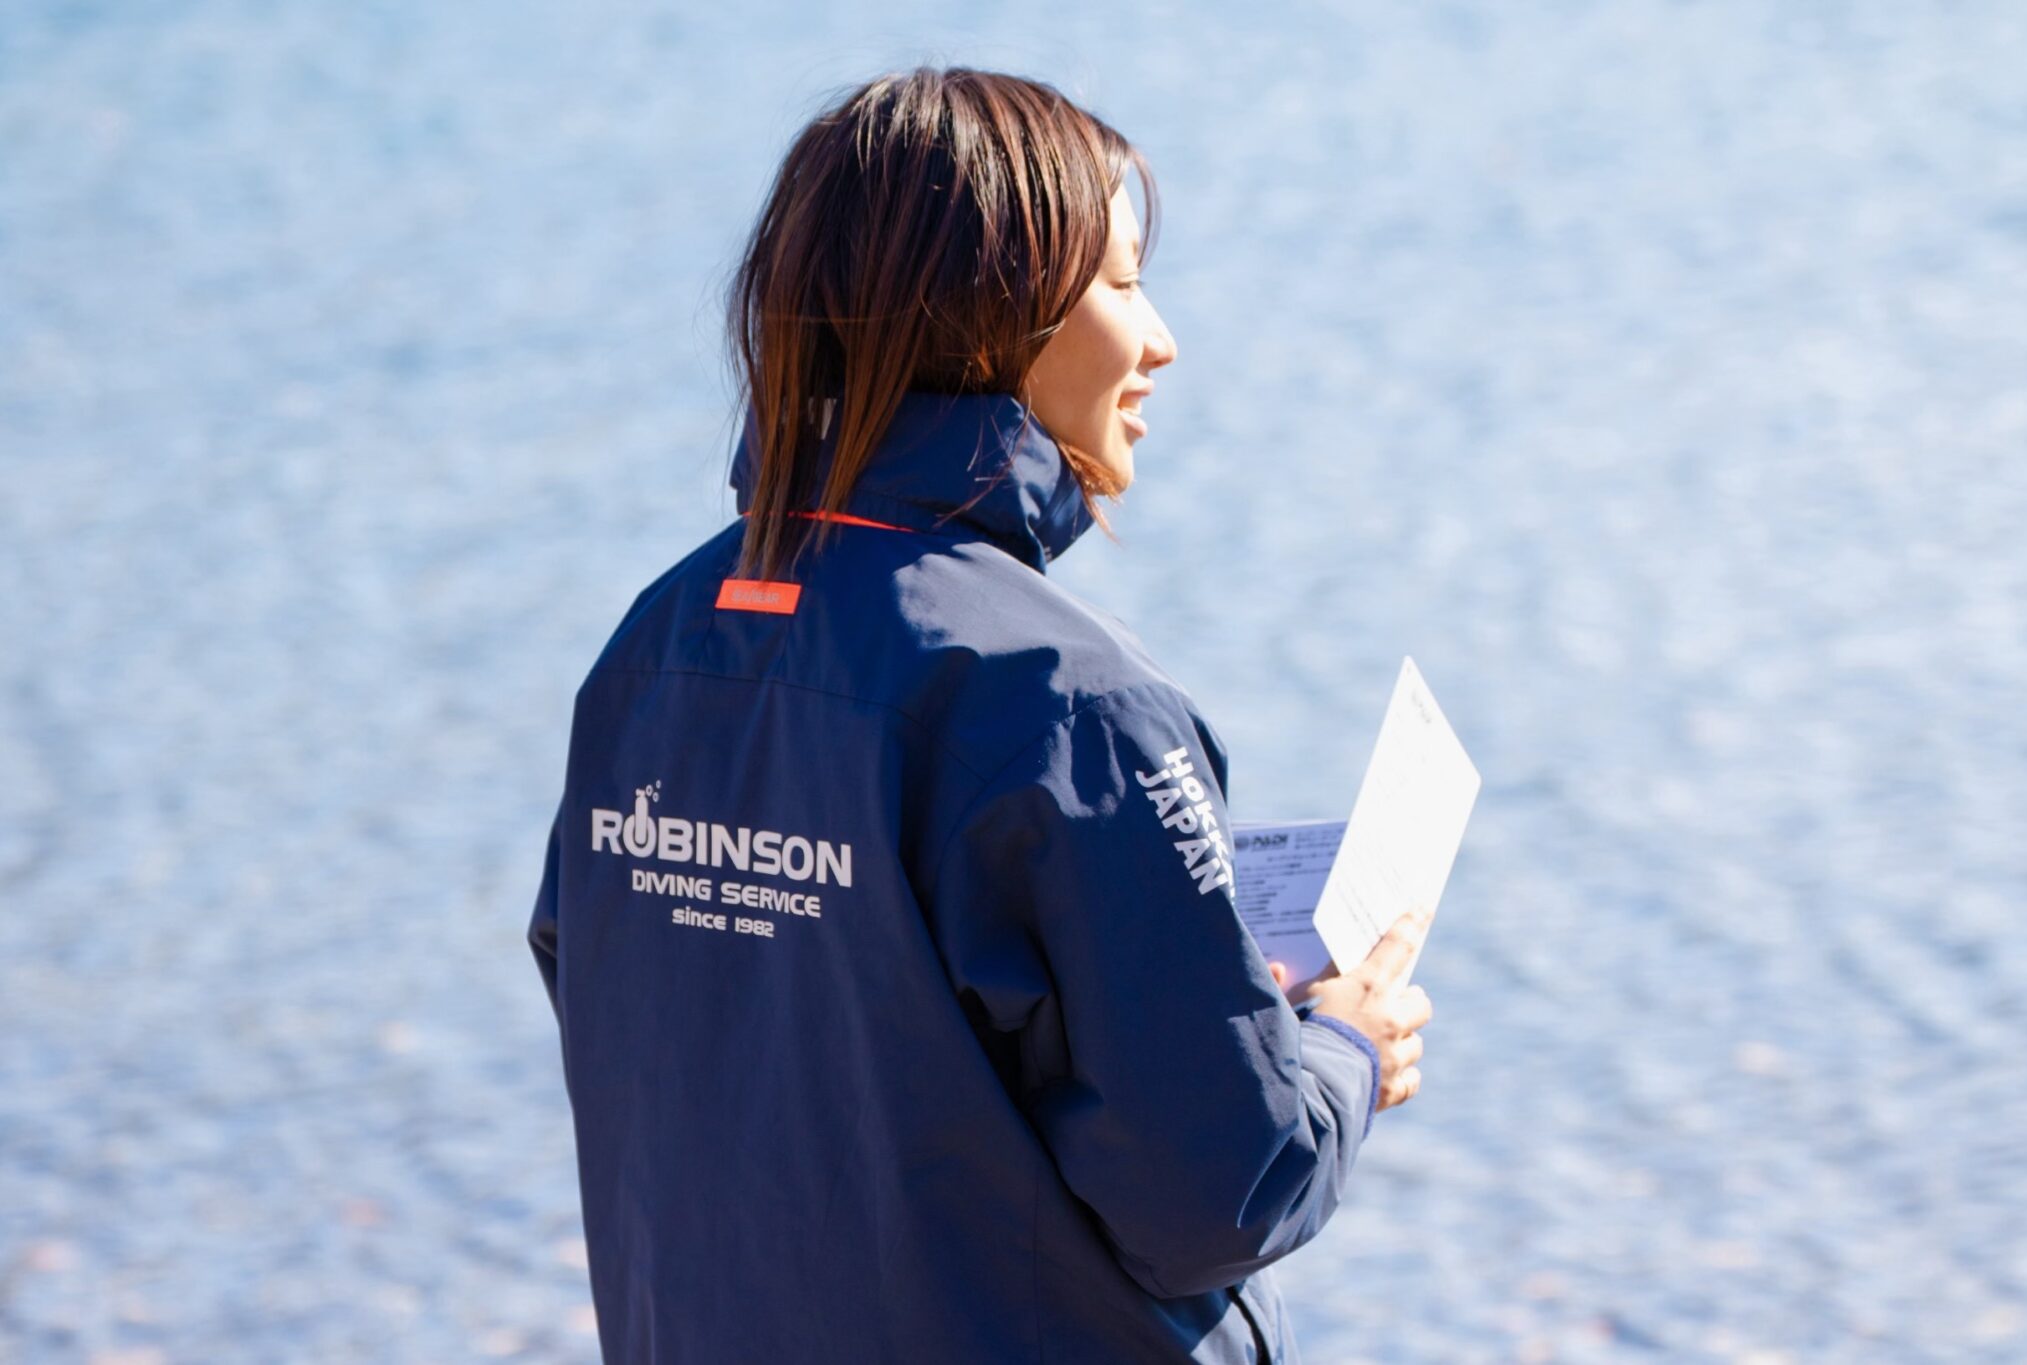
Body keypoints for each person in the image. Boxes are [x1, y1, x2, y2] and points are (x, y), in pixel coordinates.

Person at [526, 65, 1435, 1364]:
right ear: (997, 321)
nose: (1161, 337)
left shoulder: (655, 645)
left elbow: (657, 1018)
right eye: (1121, 285)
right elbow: (1223, 1188)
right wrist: (1342, 1045)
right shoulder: (1065, 700)